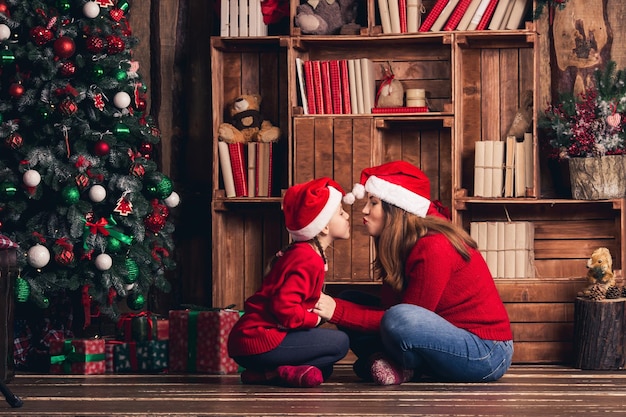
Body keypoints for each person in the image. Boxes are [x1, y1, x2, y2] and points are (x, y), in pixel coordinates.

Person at [314, 161, 514, 385]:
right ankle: (398, 366)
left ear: (397, 209)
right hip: (441, 337)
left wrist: (337, 311)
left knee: (397, 318)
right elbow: (392, 308)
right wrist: (339, 306)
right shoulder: (401, 243)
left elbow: (408, 320)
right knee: (349, 299)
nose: (364, 211)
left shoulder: (434, 246)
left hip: (486, 352)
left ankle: (397, 364)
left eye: (373, 203)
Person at [228, 177, 351, 388]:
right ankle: (273, 372)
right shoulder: (307, 258)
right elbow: (283, 308)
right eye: (340, 212)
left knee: (324, 367)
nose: (347, 215)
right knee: (340, 343)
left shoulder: (307, 254)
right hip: (257, 339)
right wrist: (316, 320)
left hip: (256, 340)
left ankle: (265, 374)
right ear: (323, 227)